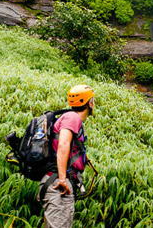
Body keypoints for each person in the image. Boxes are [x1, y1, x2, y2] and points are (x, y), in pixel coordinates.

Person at [39, 84, 94, 228]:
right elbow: (63, 144)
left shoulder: (70, 118)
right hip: (59, 185)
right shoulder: (72, 118)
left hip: (55, 183)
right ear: (89, 103)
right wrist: (63, 178)